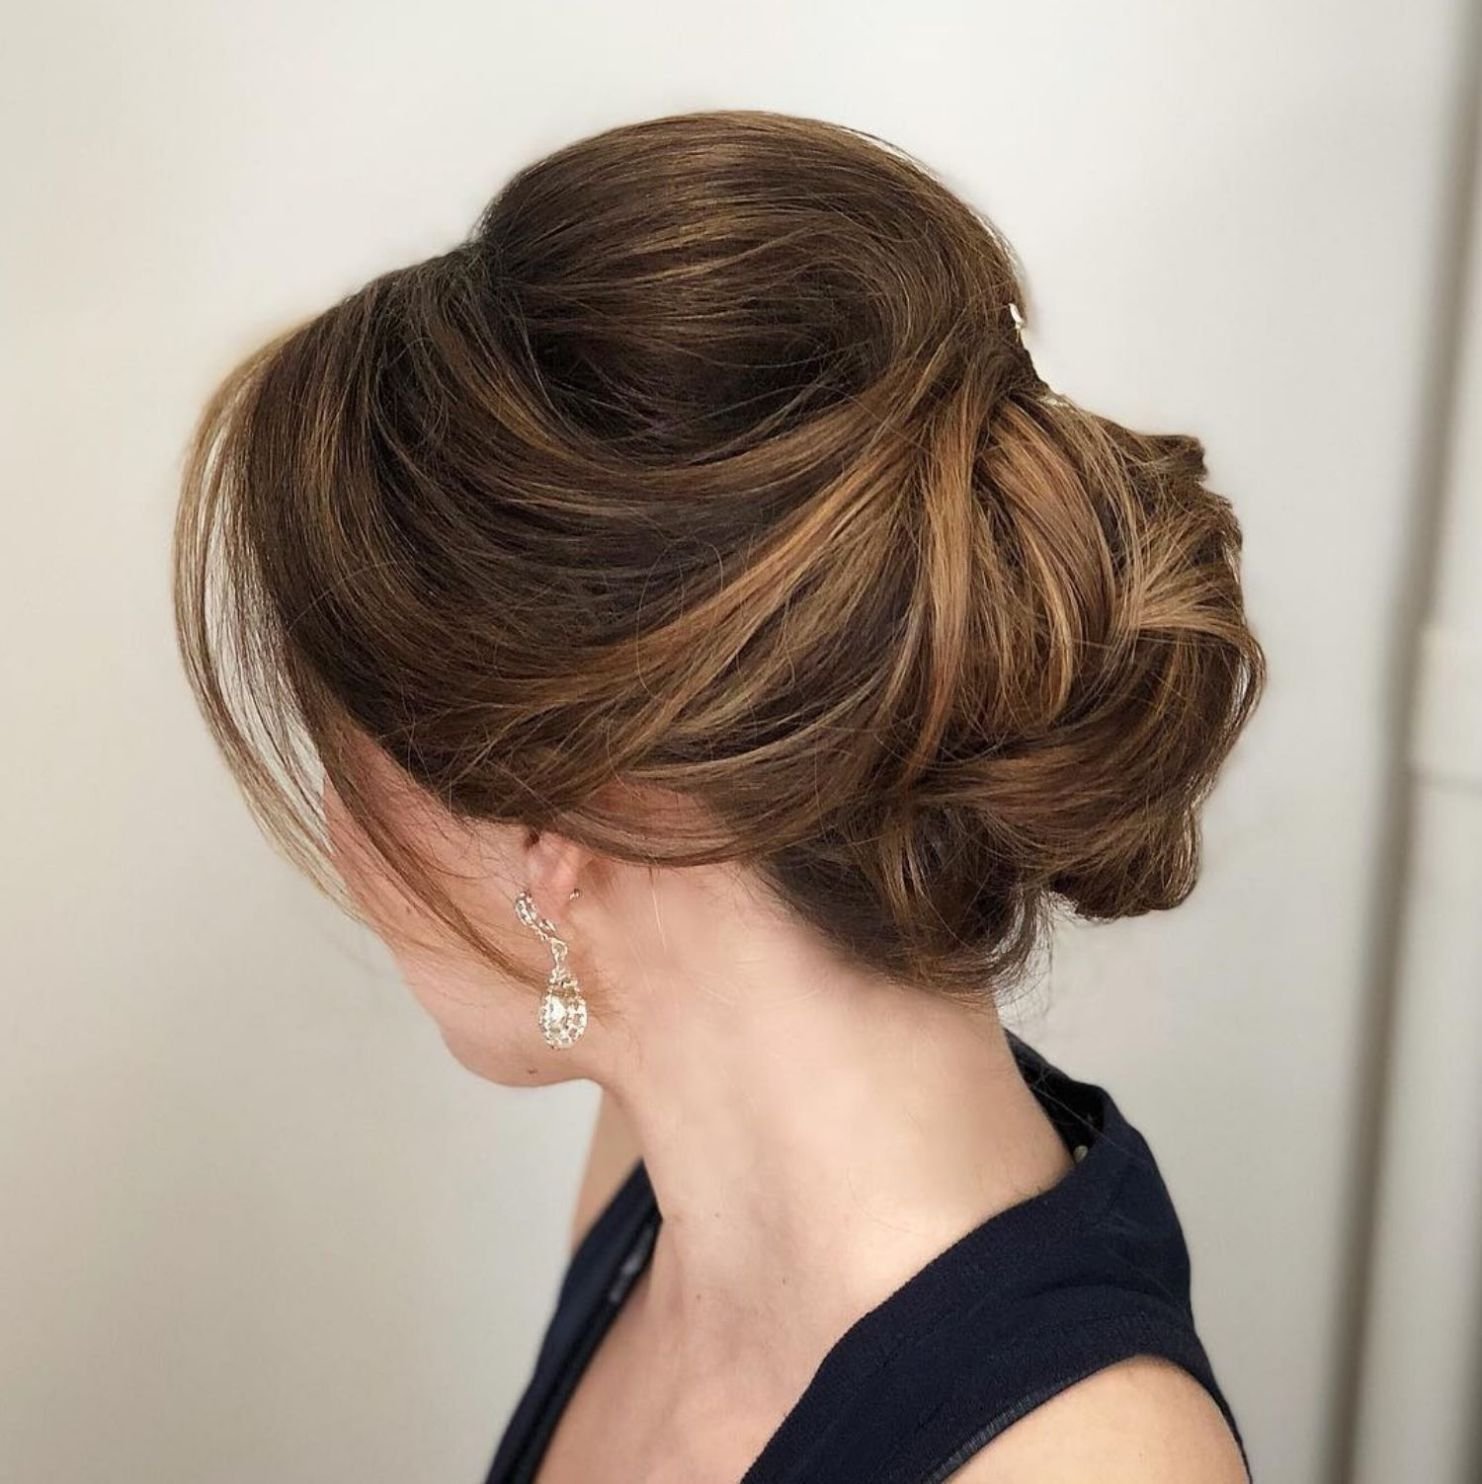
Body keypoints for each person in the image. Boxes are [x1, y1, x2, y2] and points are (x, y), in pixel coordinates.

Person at [173, 108, 1264, 1482]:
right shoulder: (657, 1167)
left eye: (347, 752)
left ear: (551, 824)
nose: (338, 836)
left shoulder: (1079, 1469)